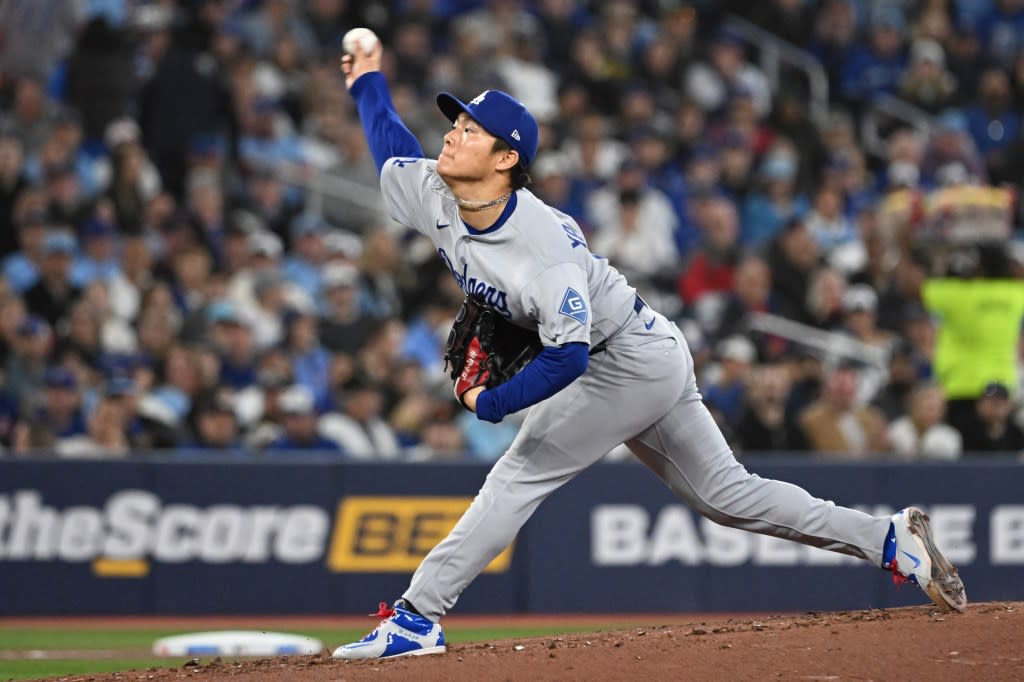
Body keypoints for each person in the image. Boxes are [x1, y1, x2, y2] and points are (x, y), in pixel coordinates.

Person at [331, 33, 967, 661]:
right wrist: (367, 80)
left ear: (505, 160)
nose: (452, 133)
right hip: (646, 347)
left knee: (520, 473)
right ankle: (889, 539)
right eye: (457, 121)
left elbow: (569, 357)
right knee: (729, 497)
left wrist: (494, 403)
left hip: (623, 358)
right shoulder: (438, 194)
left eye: (471, 129)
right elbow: (391, 147)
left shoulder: (541, 248)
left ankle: (418, 617)